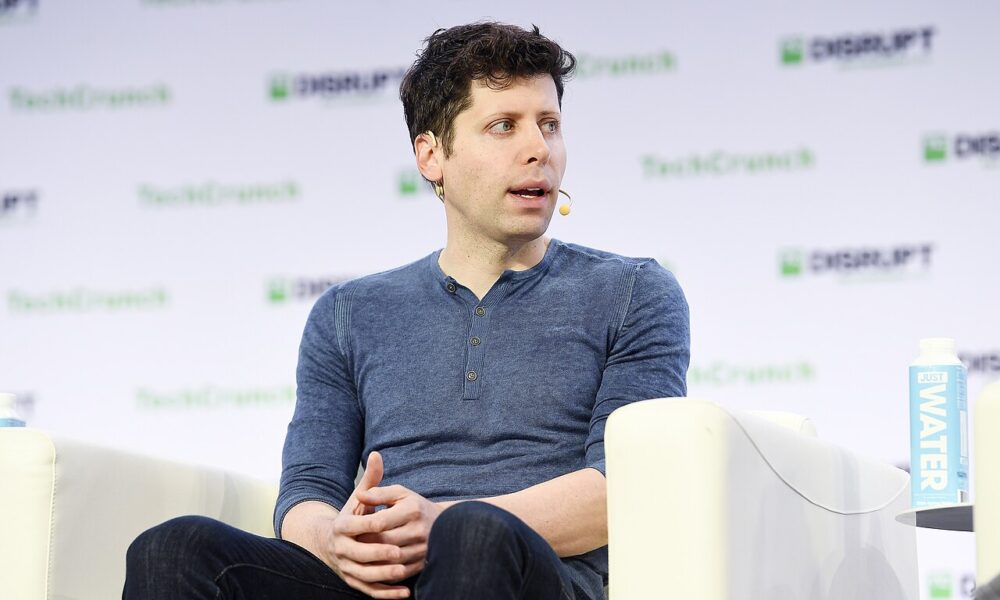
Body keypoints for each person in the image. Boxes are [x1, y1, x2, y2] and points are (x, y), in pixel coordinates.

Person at [123, 22, 689, 600]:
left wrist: (440, 523)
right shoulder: (349, 313)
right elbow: (307, 493)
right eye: (504, 126)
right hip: (378, 585)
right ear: (431, 154)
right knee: (173, 549)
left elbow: (622, 487)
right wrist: (340, 542)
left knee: (472, 536)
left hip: (530, 575)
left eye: (549, 125)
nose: (539, 149)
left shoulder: (632, 292)